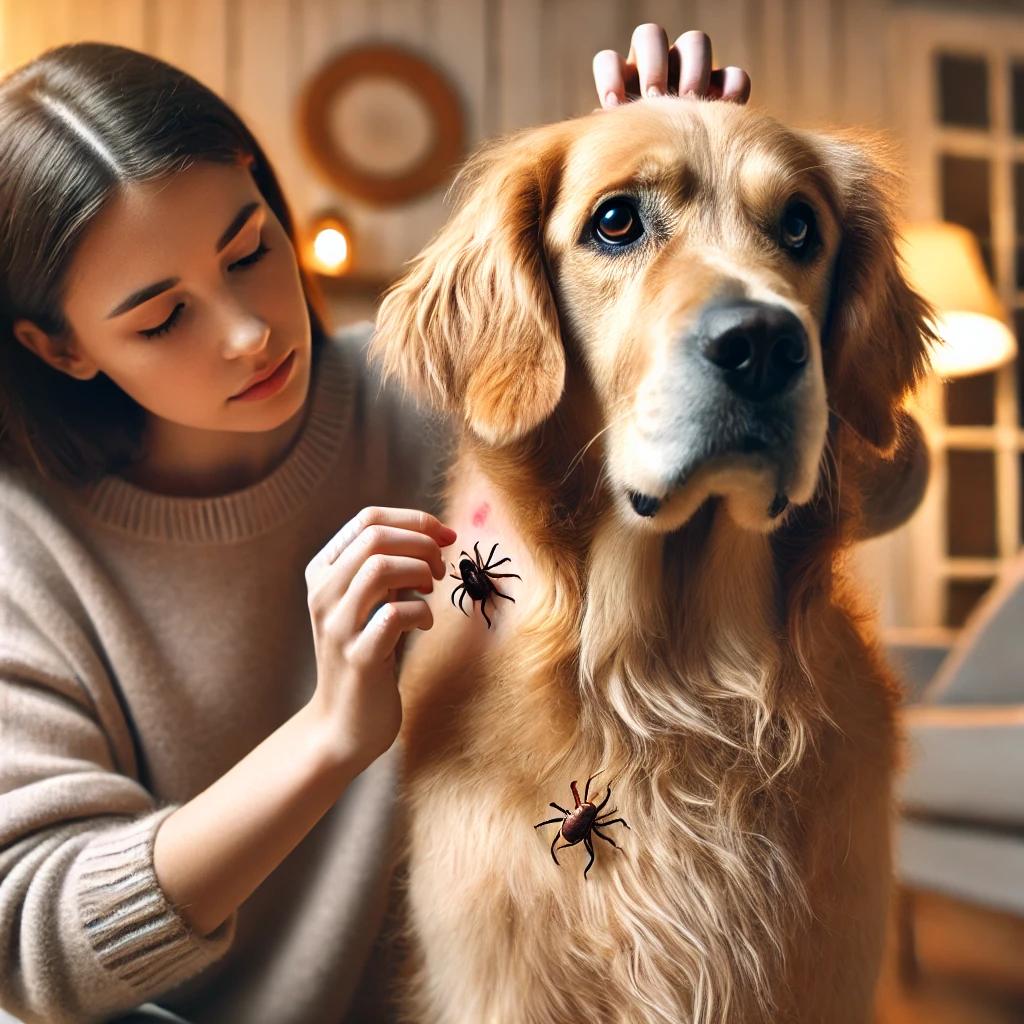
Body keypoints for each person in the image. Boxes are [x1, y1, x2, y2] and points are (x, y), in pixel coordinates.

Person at [0, 24, 762, 1024]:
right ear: (59, 348)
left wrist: (678, 232)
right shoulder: (25, 548)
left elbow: (874, 484)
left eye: (248, 249)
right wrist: (329, 735)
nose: (249, 331)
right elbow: (30, 946)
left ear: (260, 187)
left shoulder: (449, 381)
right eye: (162, 318)